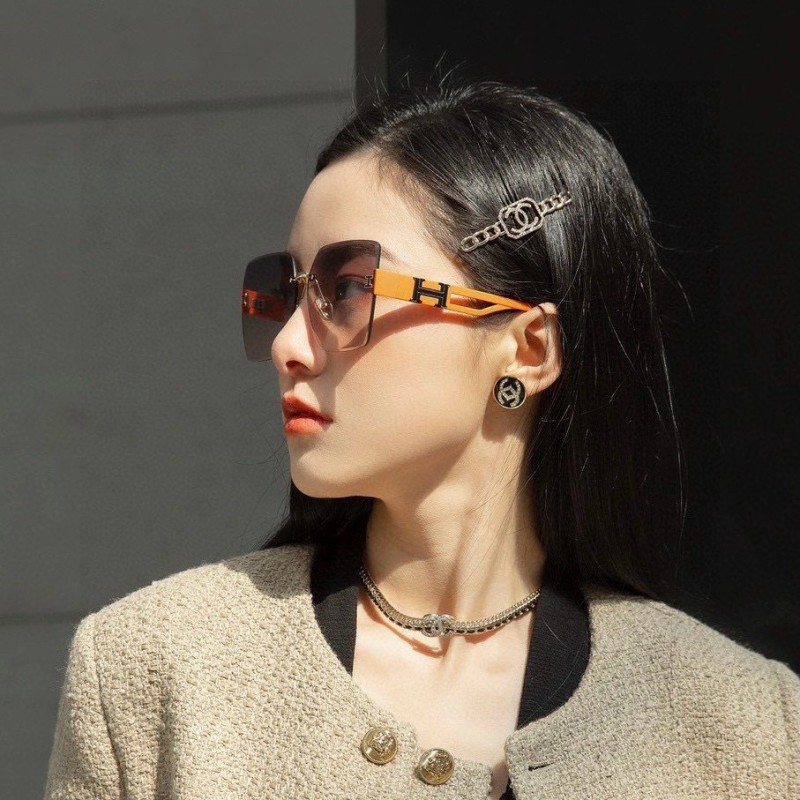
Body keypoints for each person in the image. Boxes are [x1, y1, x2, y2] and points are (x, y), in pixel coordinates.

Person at [45, 80, 799, 800]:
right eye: (288, 292)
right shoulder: (158, 667)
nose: (286, 346)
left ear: (527, 349)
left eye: (348, 289)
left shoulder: (751, 727)